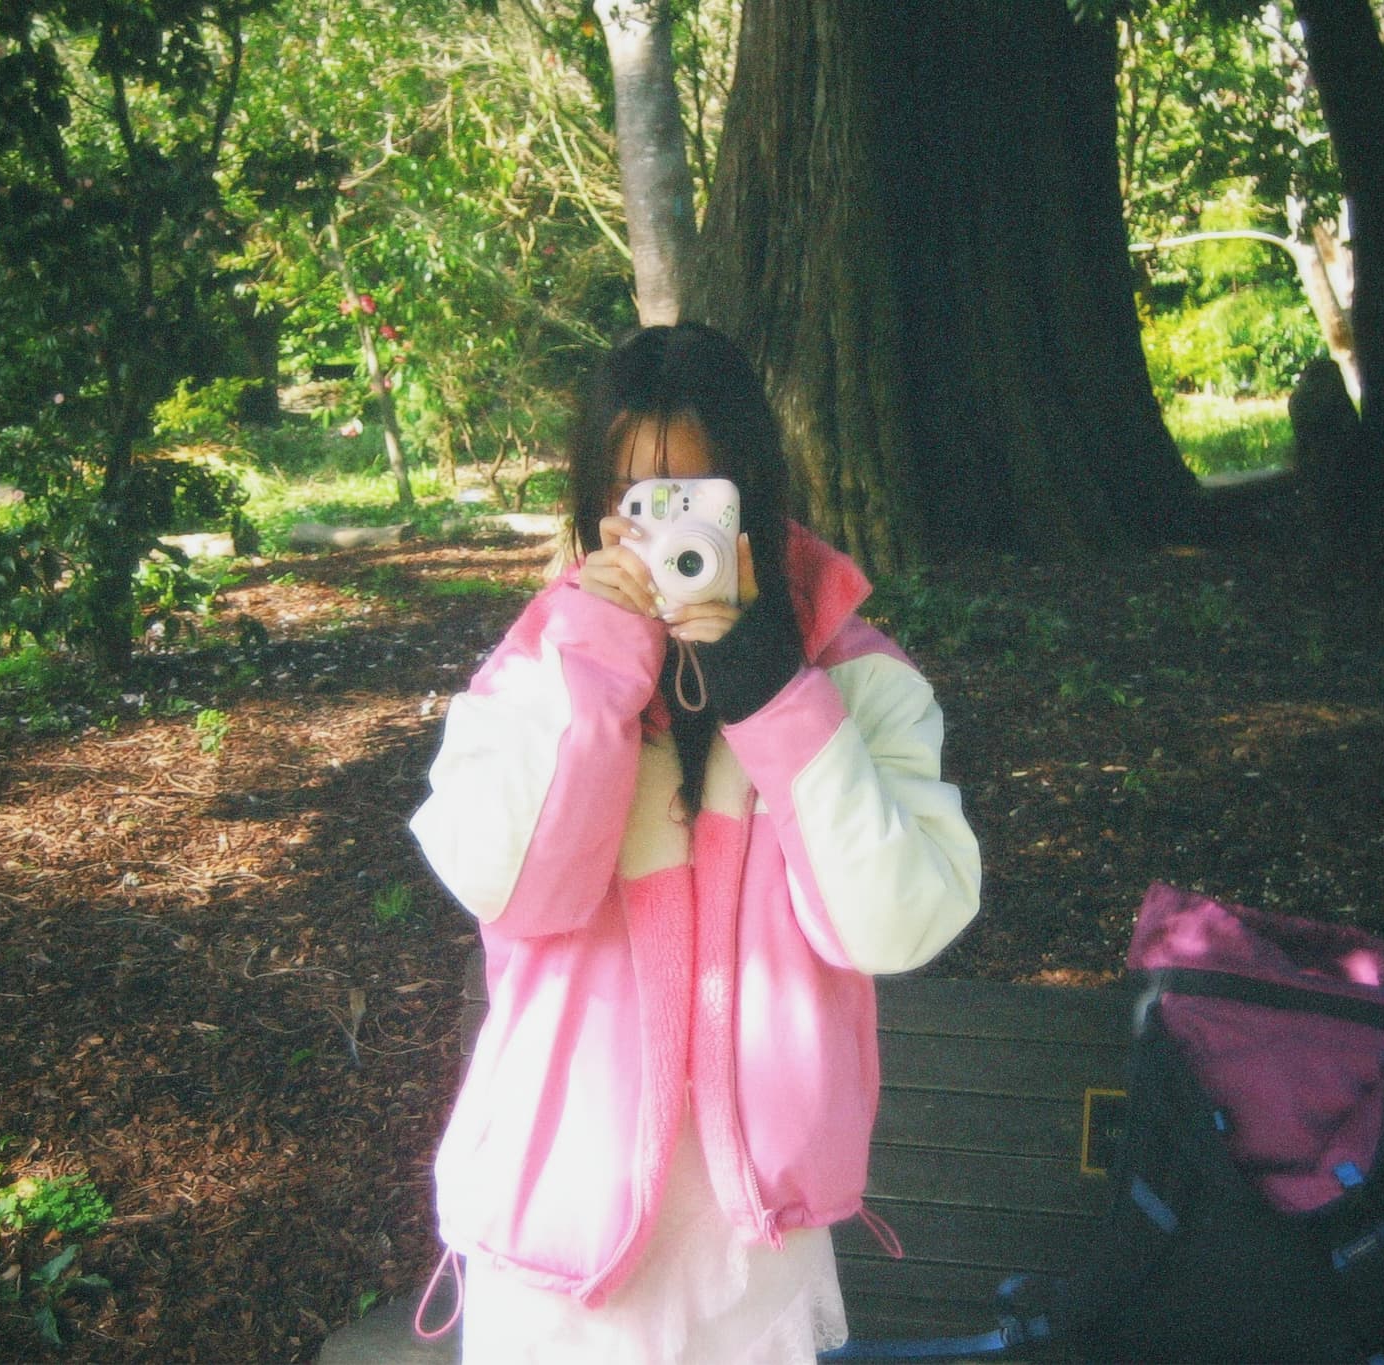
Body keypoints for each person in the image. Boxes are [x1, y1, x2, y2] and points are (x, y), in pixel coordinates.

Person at [408, 322, 982, 1364]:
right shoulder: (535, 672)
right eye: (637, 502)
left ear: (753, 495)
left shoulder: (858, 682)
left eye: (698, 497)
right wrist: (594, 677)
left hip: (745, 1251)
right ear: (592, 509)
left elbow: (895, 923)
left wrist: (775, 694)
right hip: (555, 1232)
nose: (667, 531)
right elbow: (516, 890)